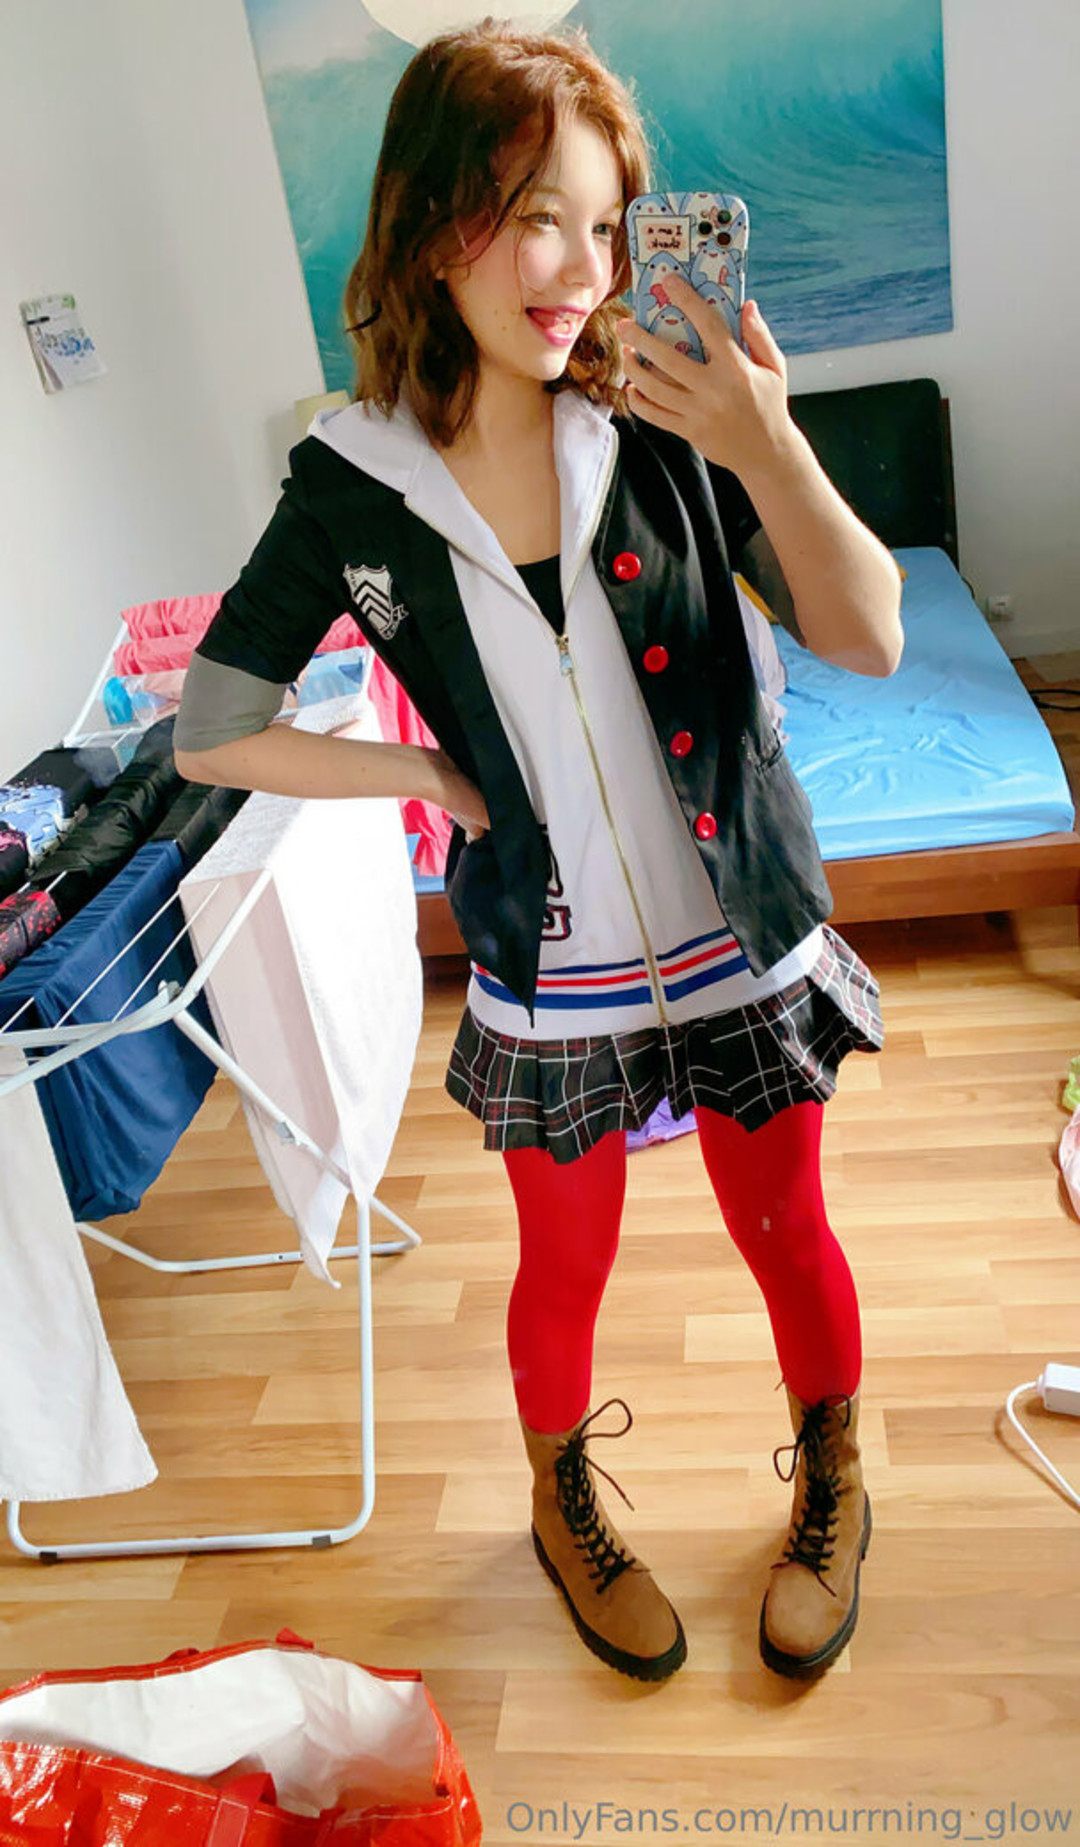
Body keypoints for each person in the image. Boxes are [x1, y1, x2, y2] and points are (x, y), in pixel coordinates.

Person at [174, 18, 903, 1684]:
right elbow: (210, 727)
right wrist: (421, 770)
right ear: (437, 226)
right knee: (562, 1264)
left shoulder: (668, 413)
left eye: (605, 223)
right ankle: (562, 1504)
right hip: (548, 952)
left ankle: (836, 1481)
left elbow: (869, 633)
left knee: (787, 1229)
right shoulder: (349, 485)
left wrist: (769, 437)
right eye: (533, 219)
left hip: (738, 917)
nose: (580, 270)